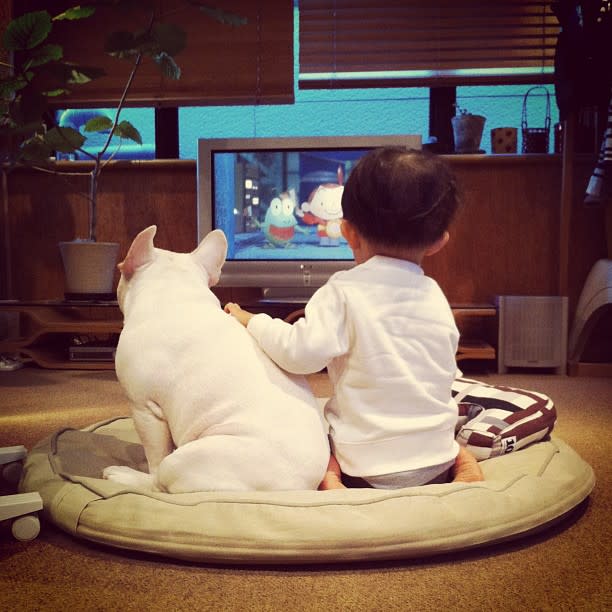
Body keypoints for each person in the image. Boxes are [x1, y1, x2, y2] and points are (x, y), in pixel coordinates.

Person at [225, 147, 483, 489]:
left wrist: (251, 320)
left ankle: (332, 479)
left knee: (314, 432)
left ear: (347, 232)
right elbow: (445, 369)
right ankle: (459, 462)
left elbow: (297, 354)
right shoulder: (435, 295)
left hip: (364, 467)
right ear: (438, 242)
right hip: (435, 460)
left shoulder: (343, 292)